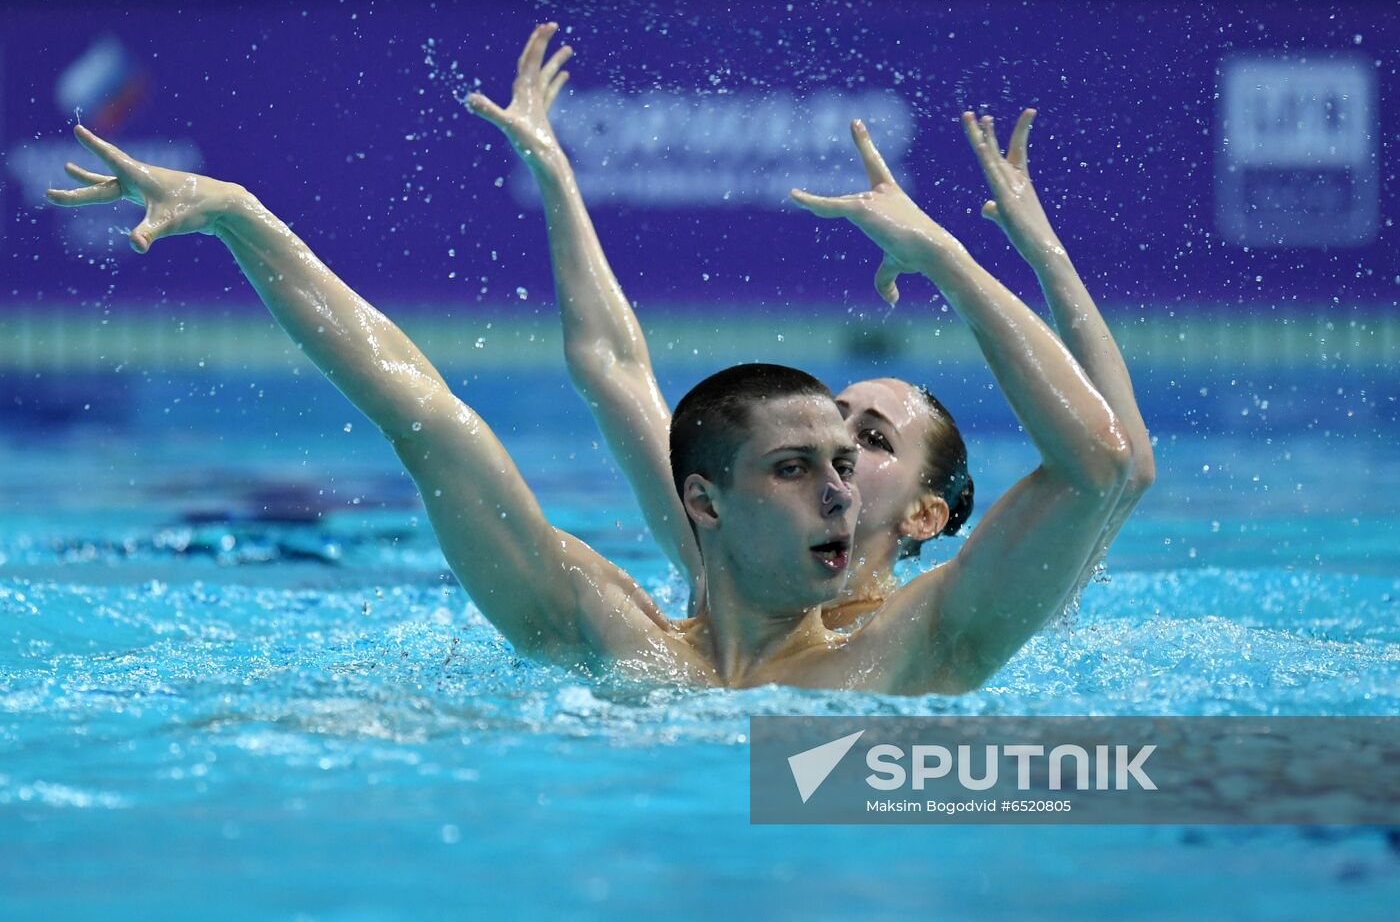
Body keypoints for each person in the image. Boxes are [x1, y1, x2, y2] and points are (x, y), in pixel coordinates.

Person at [45, 38, 1138, 695]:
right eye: (804, 461)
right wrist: (247, 219)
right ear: (703, 502)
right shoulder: (622, 637)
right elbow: (438, 415)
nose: (841, 476)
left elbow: (1109, 465)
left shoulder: (924, 637)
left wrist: (962, 258)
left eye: (858, 454)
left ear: (924, 517)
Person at [467, 24, 1155, 630]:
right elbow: (611, 364)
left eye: (872, 439)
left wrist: (1023, 258)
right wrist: (553, 171)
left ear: (923, 516)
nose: (835, 444)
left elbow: (1119, 467)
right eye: (835, 415)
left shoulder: (949, 623)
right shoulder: (722, 550)